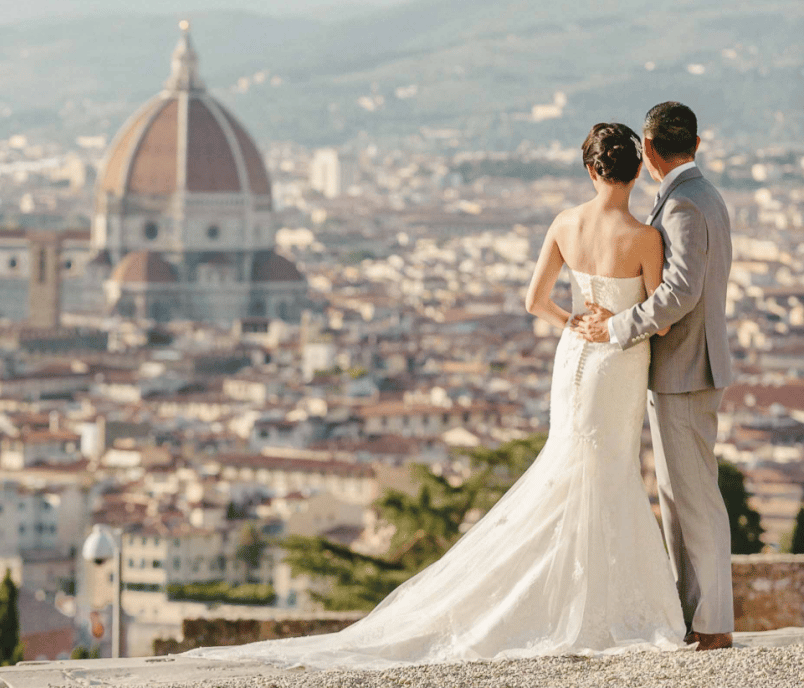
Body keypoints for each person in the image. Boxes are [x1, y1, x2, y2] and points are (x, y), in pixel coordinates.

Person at [185, 122, 687, 670]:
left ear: (591, 170)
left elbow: (534, 301)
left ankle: (563, 599)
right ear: (637, 170)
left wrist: (577, 324)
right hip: (616, 362)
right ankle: (594, 602)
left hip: (573, 359)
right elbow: (657, 323)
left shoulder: (565, 224)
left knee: (571, 466)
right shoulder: (645, 239)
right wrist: (611, 326)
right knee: (611, 469)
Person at [571, 102, 734, 651]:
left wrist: (619, 327)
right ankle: (695, 617)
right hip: (689, 367)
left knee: (693, 501)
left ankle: (711, 623)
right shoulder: (701, 194)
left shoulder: (685, 204)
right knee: (681, 498)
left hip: (685, 369)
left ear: (653, 149)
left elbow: (681, 291)